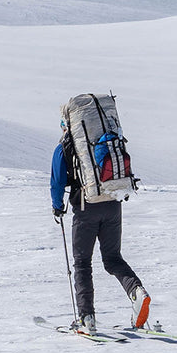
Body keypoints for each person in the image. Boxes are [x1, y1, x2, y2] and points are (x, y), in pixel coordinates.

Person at [51, 121, 150, 334]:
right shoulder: (106, 139)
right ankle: (137, 292)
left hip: (87, 208)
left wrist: (57, 207)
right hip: (113, 203)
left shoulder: (65, 147)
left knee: (82, 263)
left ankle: (87, 317)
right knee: (113, 258)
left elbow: (57, 180)